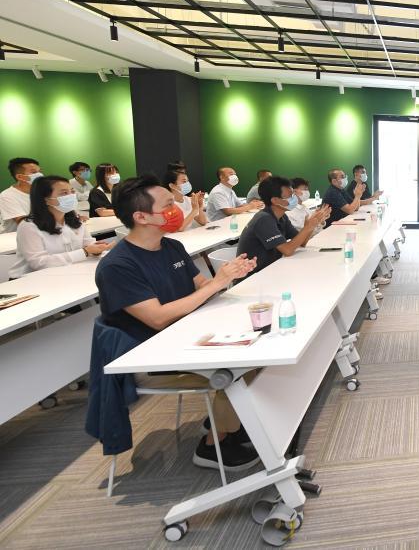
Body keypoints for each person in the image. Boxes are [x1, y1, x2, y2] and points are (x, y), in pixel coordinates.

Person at [94, 175, 258, 471]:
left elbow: (201, 286)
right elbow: (157, 319)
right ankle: (213, 444)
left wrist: (229, 276)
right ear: (141, 217)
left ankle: (229, 420)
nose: (177, 210)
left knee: (258, 350)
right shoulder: (117, 266)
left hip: (185, 334)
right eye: (168, 205)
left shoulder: (171, 247)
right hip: (152, 354)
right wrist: (216, 284)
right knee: (237, 367)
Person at [9, 175, 113, 278]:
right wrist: (85, 252)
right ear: (46, 199)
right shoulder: (29, 226)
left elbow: (88, 243)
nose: (71, 196)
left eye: (72, 191)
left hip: (67, 273)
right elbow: (39, 263)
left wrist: (97, 249)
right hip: (30, 280)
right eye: (64, 193)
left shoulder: (75, 220)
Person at [236, 176, 331, 275]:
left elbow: (301, 243)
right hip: (254, 275)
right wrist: (308, 227)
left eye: (293, 194)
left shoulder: (282, 216)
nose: (294, 199)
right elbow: (288, 250)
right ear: (275, 200)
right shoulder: (264, 219)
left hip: (272, 268)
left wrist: (312, 224)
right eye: (290, 197)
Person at [1, 157, 42, 233]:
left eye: (40, 171)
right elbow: (23, 223)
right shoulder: (7, 196)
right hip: (13, 237)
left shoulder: (43, 192)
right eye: (34, 172)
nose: (40, 175)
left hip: (41, 234)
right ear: (20, 177)